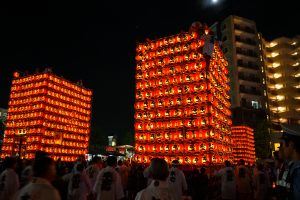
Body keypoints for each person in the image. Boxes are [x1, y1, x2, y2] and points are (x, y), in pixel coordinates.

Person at [279, 124, 300, 200]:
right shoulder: (293, 167)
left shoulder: (298, 171)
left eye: (282, 144)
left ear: (291, 145)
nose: (282, 148)